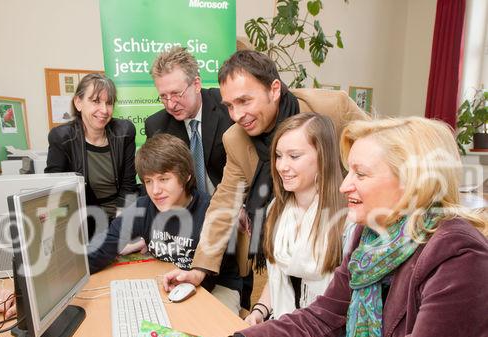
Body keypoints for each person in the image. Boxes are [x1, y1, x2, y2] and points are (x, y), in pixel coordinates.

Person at [183, 117, 488, 337]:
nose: (344, 185)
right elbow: (323, 316)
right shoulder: (368, 235)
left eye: (361, 174)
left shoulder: (461, 259)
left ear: (413, 182)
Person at [163, 50, 367, 292]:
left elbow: (384, 150)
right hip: (277, 251)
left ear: (274, 89)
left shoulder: (330, 109)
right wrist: (199, 270)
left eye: (244, 101)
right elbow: (225, 202)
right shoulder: (236, 138)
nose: (237, 115)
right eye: (229, 105)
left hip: (340, 242)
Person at [244, 112, 350, 337]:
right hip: (285, 332)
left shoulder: (348, 219)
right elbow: (279, 274)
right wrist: (259, 311)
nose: (281, 166)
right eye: (279, 156)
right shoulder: (276, 210)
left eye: (294, 156)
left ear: (323, 158)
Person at [87, 134, 242, 314]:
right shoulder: (143, 208)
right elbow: (103, 247)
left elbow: (208, 277)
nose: (155, 191)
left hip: (217, 287)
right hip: (173, 285)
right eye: (148, 181)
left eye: (163, 179)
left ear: (186, 176)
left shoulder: (211, 211)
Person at [45, 73, 138, 237]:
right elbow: (56, 194)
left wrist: (120, 229)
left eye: (109, 103)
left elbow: (128, 185)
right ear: (78, 102)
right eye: (95, 101)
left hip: (122, 215)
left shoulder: (125, 132)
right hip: (83, 221)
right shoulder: (62, 138)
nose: (104, 110)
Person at [144, 47, 233, 195]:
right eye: (164, 96)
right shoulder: (156, 126)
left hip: (231, 201)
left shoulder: (227, 107)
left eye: (176, 94)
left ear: (196, 85)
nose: (170, 104)